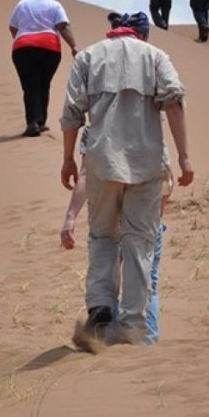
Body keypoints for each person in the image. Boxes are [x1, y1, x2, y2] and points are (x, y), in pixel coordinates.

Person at [60, 11, 193, 349]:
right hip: (146, 162)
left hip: (102, 163)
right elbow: (174, 104)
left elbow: (72, 113)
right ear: (141, 36)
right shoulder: (156, 57)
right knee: (139, 242)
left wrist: (67, 160)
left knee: (102, 236)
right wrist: (184, 157)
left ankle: (101, 307)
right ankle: (132, 325)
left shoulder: (88, 57)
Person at [61, 124, 174, 344]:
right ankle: (144, 338)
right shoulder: (149, 125)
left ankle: (105, 333)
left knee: (106, 275)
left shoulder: (94, 129)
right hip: (145, 222)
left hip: (109, 220)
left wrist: (71, 216)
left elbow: (85, 176)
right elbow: (166, 181)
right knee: (147, 279)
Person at [9, 0, 78, 137]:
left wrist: (20, 38)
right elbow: (63, 27)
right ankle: (41, 122)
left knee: (30, 85)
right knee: (44, 83)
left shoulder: (22, 4)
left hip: (23, 47)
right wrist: (73, 45)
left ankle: (32, 122)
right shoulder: (55, 5)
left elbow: (12, 26)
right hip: (50, 48)